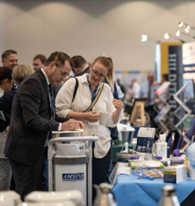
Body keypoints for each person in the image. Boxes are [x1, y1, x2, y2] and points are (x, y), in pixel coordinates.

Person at [4, 51, 84, 200]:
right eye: (63, 73)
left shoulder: (44, 83)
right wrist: (61, 127)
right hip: (25, 152)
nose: (64, 78)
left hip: (36, 151)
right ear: (53, 65)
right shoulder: (32, 83)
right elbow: (32, 119)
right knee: (26, 197)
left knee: (39, 195)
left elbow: (47, 115)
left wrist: (70, 122)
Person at [55, 56, 123, 200]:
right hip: (77, 144)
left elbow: (111, 122)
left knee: (97, 188)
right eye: (95, 72)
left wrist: (118, 111)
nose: (97, 77)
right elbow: (59, 110)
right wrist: (83, 116)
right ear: (90, 67)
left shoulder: (106, 89)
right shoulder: (73, 83)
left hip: (101, 146)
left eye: (102, 75)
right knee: (77, 187)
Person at [0, 67, 13, 191]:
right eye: (12, 82)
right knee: (4, 180)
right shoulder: (5, 97)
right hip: (3, 144)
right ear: (6, 81)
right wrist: (4, 125)